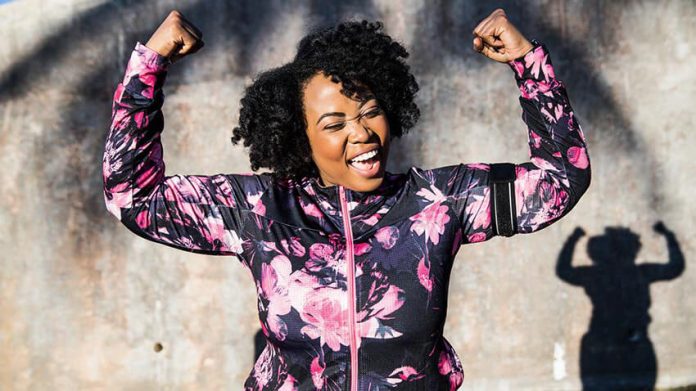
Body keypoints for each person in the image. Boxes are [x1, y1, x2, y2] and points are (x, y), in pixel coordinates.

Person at [102, 8, 591, 390]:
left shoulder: (439, 201)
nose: (361, 134)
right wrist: (150, 66)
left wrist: (530, 65)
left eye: (371, 112)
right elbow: (132, 194)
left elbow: (561, 177)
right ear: (300, 137)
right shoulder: (259, 210)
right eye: (333, 125)